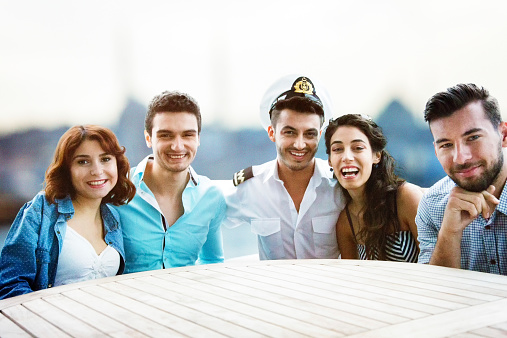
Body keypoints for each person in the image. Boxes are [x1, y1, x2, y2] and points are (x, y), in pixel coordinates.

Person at [0, 125, 135, 299]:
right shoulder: (41, 210)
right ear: (66, 169)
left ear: (117, 164)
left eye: (105, 159)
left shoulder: (113, 217)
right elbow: (10, 285)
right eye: (83, 161)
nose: (97, 170)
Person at [224, 75, 345, 260]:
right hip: (273, 289)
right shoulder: (250, 186)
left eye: (310, 134)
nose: (299, 144)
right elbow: (205, 218)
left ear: (320, 135)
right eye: (290, 132)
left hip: (327, 288)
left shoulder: (340, 186)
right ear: (272, 133)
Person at [115, 91, 225, 273]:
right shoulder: (119, 190)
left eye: (188, 135)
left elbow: (212, 262)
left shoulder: (211, 197)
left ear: (198, 139)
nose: (177, 146)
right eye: (166, 135)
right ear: (148, 138)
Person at [417, 83, 507, 275]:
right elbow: (435, 294)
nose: (460, 158)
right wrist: (449, 233)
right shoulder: (432, 206)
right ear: (436, 150)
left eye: (473, 137)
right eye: (446, 145)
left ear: (504, 135)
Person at [325, 114, 423, 261]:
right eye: (337, 149)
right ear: (330, 161)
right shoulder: (345, 222)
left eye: (358, 148)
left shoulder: (406, 198)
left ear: (376, 156)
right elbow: (351, 277)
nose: (346, 157)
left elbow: (438, 263)